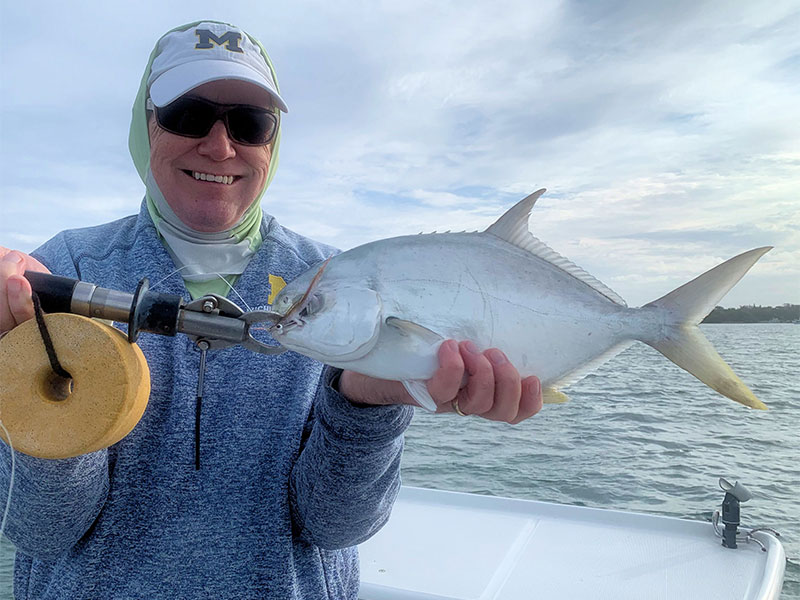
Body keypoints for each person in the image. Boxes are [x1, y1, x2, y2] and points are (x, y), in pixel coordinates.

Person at [0, 20, 542, 599]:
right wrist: (56, 404)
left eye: (250, 124)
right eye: (188, 115)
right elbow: (42, 530)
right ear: (145, 127)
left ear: (273, 143)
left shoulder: (340, 288)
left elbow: (336, 528)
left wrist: (364, 402)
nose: (220, 145)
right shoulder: (61, 270)